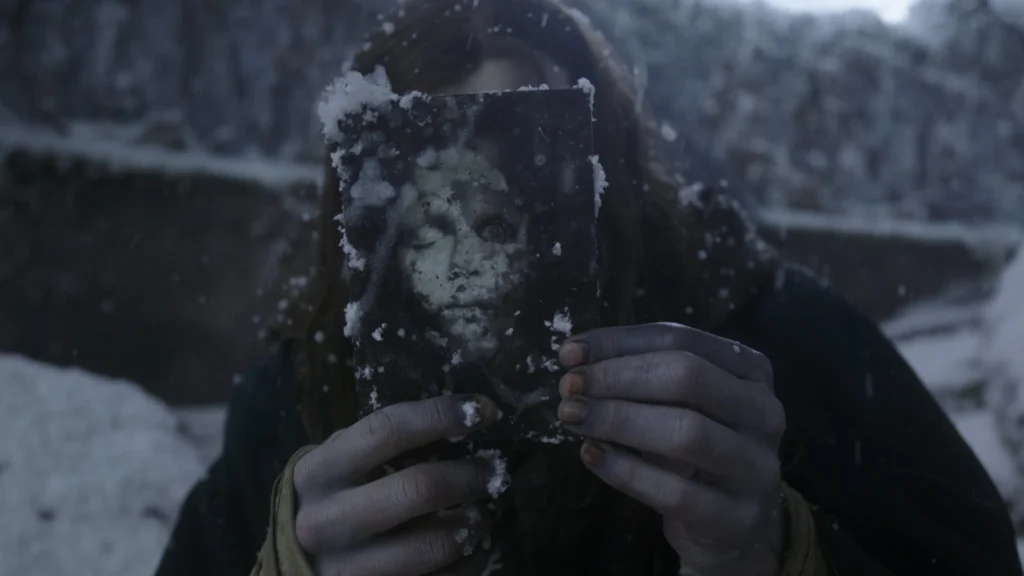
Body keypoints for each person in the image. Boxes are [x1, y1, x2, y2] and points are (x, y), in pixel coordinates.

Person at [156, 0, 1023, 575]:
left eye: (508, 217)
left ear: (607, 193)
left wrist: (775, 549)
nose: (463, 262)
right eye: (423, 229)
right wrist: (285, 562)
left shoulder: (771, 338)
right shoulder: (293, 403)